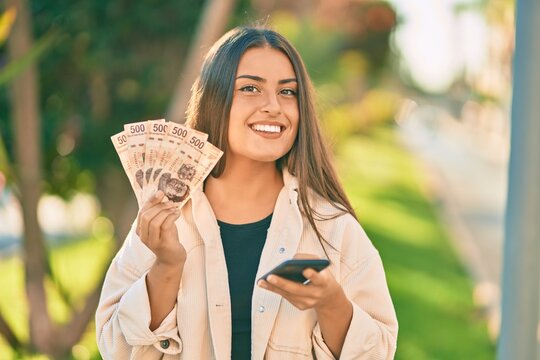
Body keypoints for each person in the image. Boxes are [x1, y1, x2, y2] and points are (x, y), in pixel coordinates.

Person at [96, 26, 398, 360]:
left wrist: (331, 303)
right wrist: (166, 267)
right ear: (215, 98)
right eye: (250, 88)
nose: (273, 106)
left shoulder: (333, 228)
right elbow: (115, 348)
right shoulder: (165, 220)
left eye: (288, 92)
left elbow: (380, 351)